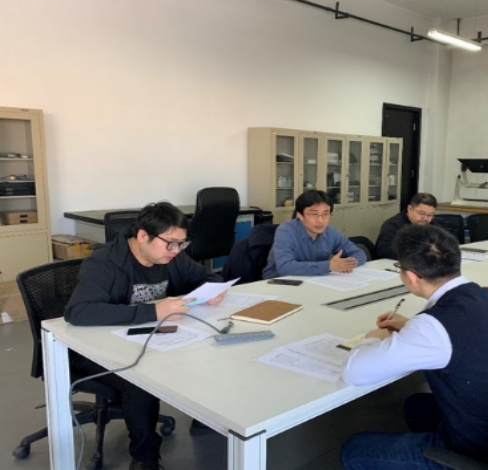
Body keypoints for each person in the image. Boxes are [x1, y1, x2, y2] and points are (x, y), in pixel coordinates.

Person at [340, 225, 488, 469]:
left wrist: (373, 338)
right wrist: (411, 326)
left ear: (411, 276)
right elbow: (465, 332)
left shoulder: (433, 326)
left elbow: (354, 373)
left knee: (354, 450)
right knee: (417, 407)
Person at [65, 202, 225, 470]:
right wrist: (154, 311)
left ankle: (203, 416)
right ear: (142, 236)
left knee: (208, 350)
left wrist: (213, 290)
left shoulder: (172, 257)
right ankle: (145, 459)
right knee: (139, 381)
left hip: (148, 339)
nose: (176, 251)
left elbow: (207, 277)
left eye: (181, 244)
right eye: (170, 243)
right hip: (96, 348)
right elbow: (78, 312)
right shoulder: (105, 262)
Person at [262, 190, 367, 278]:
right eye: (314, 214)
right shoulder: (285, 231)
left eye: (325, 214)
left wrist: (346, 264)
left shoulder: (330, 232)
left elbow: (359, 254)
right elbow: (285, 267)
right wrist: (329, 266)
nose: (320, 220)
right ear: (300, 215)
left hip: (314, 280)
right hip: (278, 283)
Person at [375, 192, 437, 259]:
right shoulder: (393, 224)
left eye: (430, 215)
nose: (426, 218)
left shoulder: (432, 225)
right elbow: (384, 250)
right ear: (410, 209)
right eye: (422, 213)